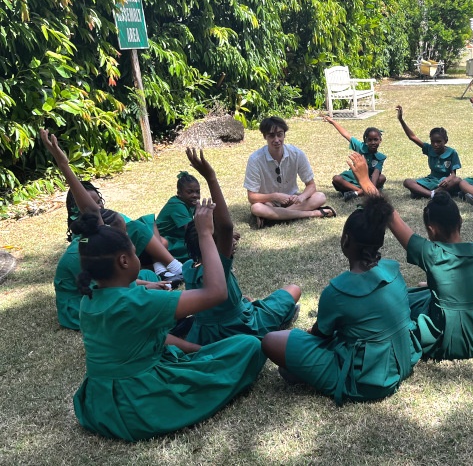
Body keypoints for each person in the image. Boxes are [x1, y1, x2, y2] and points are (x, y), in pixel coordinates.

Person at [40, 129, 266, 441]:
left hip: (99, 407)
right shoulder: (139, 302)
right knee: (249, 346)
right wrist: (204, 233)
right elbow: (216, 291)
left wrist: (65, 166)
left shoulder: (91, 296)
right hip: (141, 406)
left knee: (199, 350)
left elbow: (96, 223)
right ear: (123, 261)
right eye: (134, 250)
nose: (139, 253)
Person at [260, 183, 421, 405]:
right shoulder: (393, 269)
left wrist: (308, 335)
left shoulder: (337, 290)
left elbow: (321, 336)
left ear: (345, 240)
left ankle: (307, 371)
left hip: (366, 380)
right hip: (403, 360)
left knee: (271, 340)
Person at [349, 152, 473, 361]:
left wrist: (364, 180)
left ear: (431, 230)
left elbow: (388, 213)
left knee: (395, 307)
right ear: (460, 222)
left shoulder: (432, 253)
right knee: (416, 294)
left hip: (451, 339)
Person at [181, 148, 301, 345]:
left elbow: (225, 233)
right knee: (293, 289)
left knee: (247, 299)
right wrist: (211, 177)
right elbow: (227, 228)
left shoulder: (188, 268)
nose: (233, 240)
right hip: (241, 325)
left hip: (204, 333)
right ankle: (278, 320)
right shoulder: (218, 264)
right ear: (215, 243)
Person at [244, 116, 335, 229]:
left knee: (320, 196)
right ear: (265, 137)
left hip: (292, 201)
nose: (276, 140)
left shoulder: (296, 154)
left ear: (284, 134)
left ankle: (272, 217)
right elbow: (252, 197)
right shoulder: (255, 159)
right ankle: (313, 213)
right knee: (256, 208)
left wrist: (302, 197)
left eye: (280, 134)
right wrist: (275, 196)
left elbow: (311, 186)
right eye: (272, 135)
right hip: (268, 202)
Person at [397, 105, 462, 199]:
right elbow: (412, 137)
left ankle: (423, 192)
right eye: (433, 142)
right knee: (407, 182)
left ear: (446, 141)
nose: (435, 145)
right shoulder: (429, 148)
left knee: (457, 180)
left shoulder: (452, 153)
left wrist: (448, 179)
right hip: (430, 180)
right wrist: (401, 120)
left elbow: (453, 174)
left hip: (443, 181)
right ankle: (432, 194)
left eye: (439, 142)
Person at [324, 115, 386, 201]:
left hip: (368, 180)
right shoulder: (360, 147)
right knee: (336, 179)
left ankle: (356, 193)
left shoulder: (380, 158)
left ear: (380, 140)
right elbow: (346, 135)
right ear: (365, 141)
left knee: (382, 178)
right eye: (370, 140)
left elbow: (375, 174)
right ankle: (359, 191)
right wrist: (333, 122)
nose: (373, 142)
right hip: (354, 177)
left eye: (376, 139)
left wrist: (371, 188)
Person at [156, 171, 199, 263]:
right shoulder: (177, 205)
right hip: (163, 241)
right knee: (195, 246)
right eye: (190, 192)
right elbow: (191, 231)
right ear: (179, 193)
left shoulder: (189, 203)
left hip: (175, 238)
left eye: (197, 192)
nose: (195, 195)